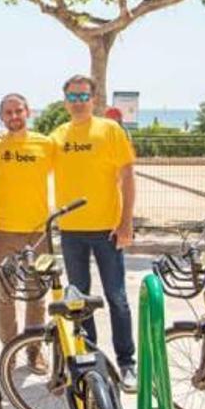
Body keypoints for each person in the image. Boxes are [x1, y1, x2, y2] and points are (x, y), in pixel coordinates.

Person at [50, 75, 138, 392]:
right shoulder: (58, 136)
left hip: (108, 230)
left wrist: (126, 221)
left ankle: (127, 364)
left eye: (83, 96)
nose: (78, 102)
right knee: (79, 301)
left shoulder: (110, 130)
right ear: (65, 102)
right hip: (71, 232)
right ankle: (89, 360)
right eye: (72, 97)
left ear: (93, 99)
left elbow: (128, 176)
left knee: (117, 298)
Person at [0, 93, 53, 374]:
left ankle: (34, 351)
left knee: (37, 295)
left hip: (38, 232)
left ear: (28, 111)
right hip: (4, 230)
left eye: (18, 111)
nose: (14, 116)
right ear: (2, 116)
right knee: (6, 295)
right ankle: (9, 350)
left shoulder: (46, 144)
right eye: (8, 112)